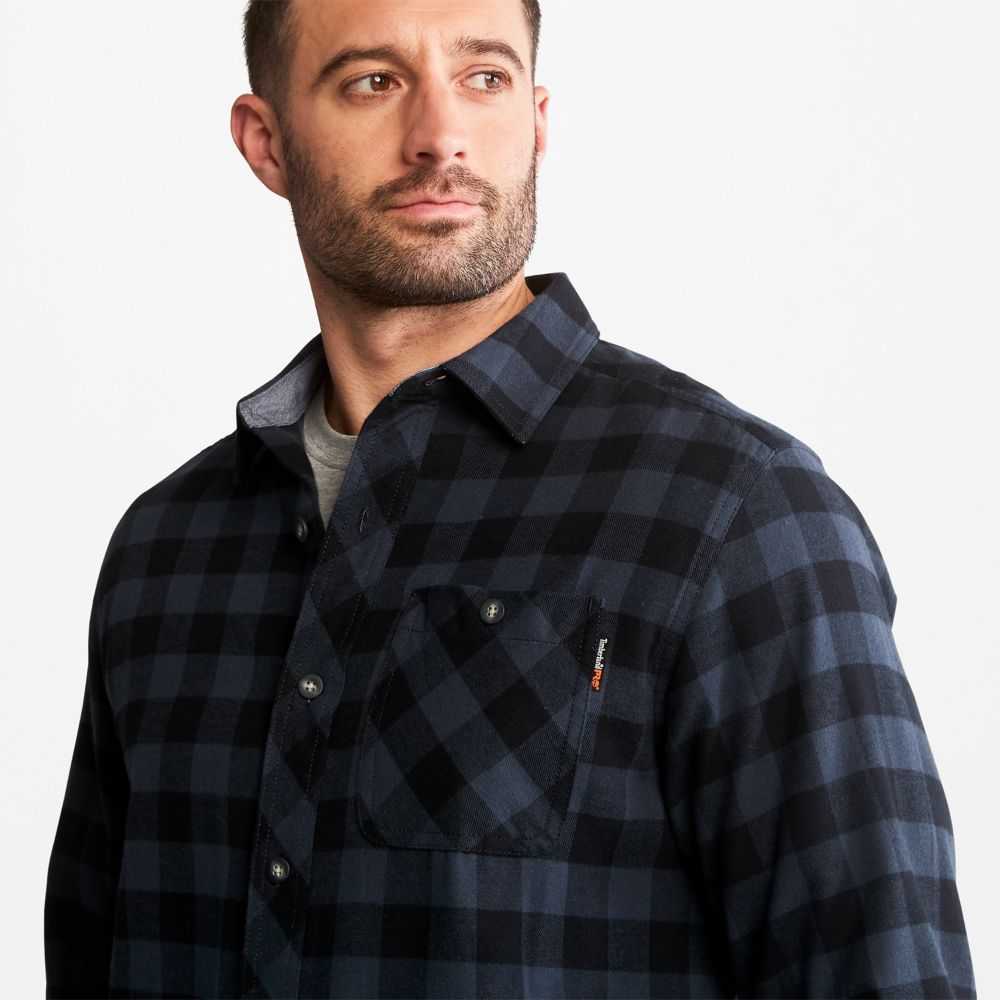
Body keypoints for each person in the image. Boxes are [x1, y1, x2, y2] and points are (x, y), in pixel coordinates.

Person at [44, 0, 977, 997]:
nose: (439, 136)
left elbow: (877, 969)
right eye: (373, 82)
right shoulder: (167, 549)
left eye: (483, 78)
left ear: (536, 120)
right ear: (266, 142)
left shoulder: (735, 511)